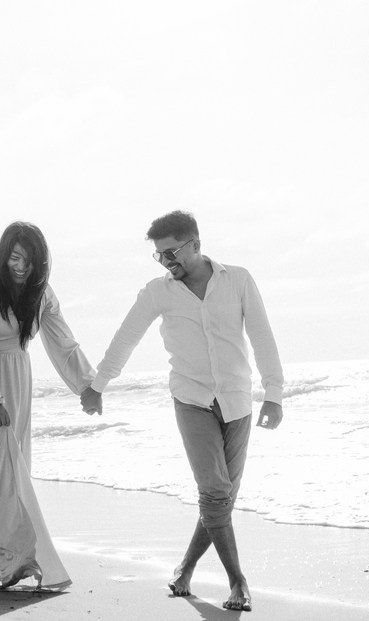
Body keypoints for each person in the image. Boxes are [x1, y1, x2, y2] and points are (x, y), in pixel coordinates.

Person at [80, 210, 283, 612]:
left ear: (195, 244)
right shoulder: (158, 292)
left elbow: (262, 335)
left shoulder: (238, 280)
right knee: (215, 492)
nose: (166, 261)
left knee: (220, 501)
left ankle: (185, 569)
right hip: (191, 402)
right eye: (159, 255)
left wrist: (273, 393)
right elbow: (126, 339)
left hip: (238, 403)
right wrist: (98, 385)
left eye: (171, 252)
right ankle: (238, 582)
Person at [0, 221, 101, 590]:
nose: (20, 267)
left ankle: (11, 557)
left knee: (12, 475)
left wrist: (87, 384)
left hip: (14, 382)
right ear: (4, 255)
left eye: (29, 262)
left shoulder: (41, 294)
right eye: (15, 258)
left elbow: (63, 341)